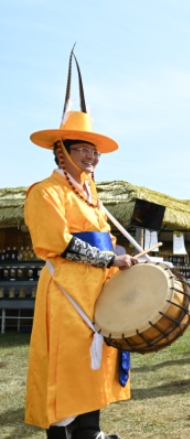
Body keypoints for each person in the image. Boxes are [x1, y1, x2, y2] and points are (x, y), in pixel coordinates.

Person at [25, 48, 137, 438]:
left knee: (96, 359)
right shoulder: (46, 193)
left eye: (95, 151)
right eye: (83, 150)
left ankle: (91, 431)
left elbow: (102, 238)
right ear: (62, 151)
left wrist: (121, 257)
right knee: (68, 362)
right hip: (67, 289)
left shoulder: (90, 196)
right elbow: (61, 244)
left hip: (96, 289)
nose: (92, 157)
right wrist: (110, 259)